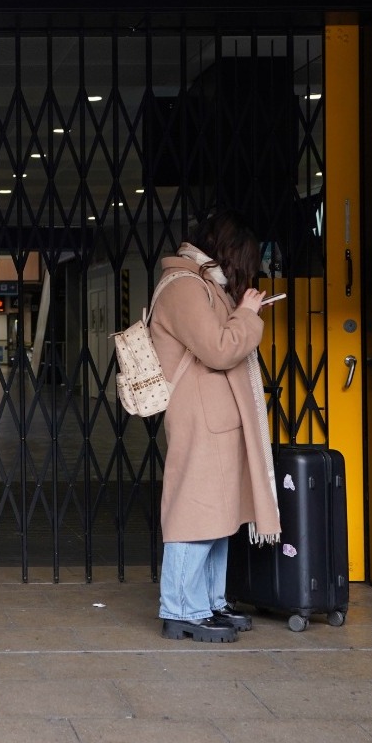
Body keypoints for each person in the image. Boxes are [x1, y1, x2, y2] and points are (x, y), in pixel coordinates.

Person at [147, 211, 280, 643]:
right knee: (195, 513)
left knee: (219, 516)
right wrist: (246, 314)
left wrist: (241, 311)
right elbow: (220, 348)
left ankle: (207, 603)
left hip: (215, 417)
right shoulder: (185, 287)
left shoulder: (204, 284)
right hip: (200, 417)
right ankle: (181, 608)